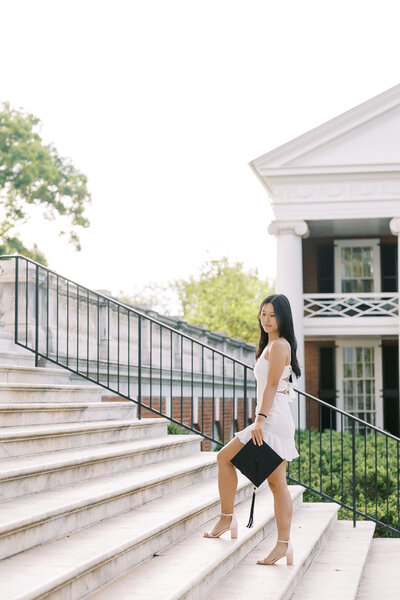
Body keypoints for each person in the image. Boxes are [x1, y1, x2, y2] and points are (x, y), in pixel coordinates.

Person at [203, 293, 301, 566]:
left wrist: (260, 419)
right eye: (263, 314)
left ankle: (232, 520)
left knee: (227, 459)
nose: (266, 319)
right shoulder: (271, 345)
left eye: (272, 315)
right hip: (271, 416)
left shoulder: (279, 345)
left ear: (282, 318)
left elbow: (271, 386)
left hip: (272, 419)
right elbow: (271, 385)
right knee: (275, 482)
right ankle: (277, 542)